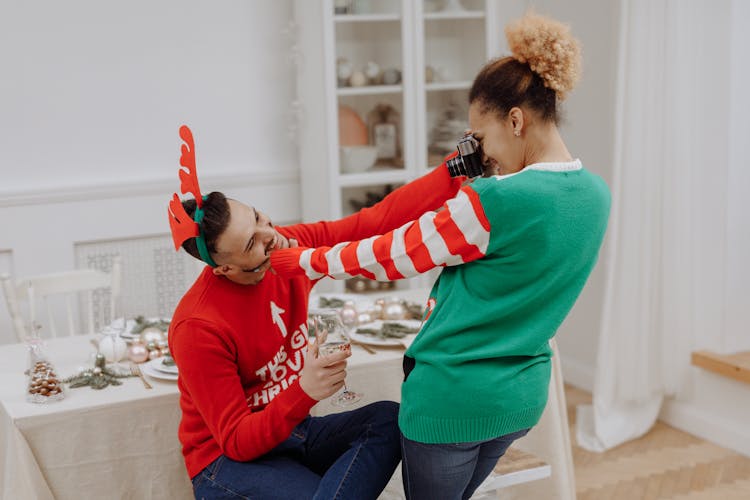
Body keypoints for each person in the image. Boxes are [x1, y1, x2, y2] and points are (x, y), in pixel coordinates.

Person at [270, 12, 611, 500]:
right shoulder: (596, 195)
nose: (482, 153)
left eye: (483, 137)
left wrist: (305, 261)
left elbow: (393, 254)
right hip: (520, 400)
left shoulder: (494, 202)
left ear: (516, 120)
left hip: (452, 404)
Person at [166, 125, 466, 499]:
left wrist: (454, 171)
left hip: (292, 434)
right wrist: (304, 391)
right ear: (223, 269)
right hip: (224, 464)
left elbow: (370, 223)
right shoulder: (197, 326)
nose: (270, 235)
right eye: (251, 244)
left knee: (389, 420)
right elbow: (236, 441)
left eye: (259, 218)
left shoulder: (289, 250)